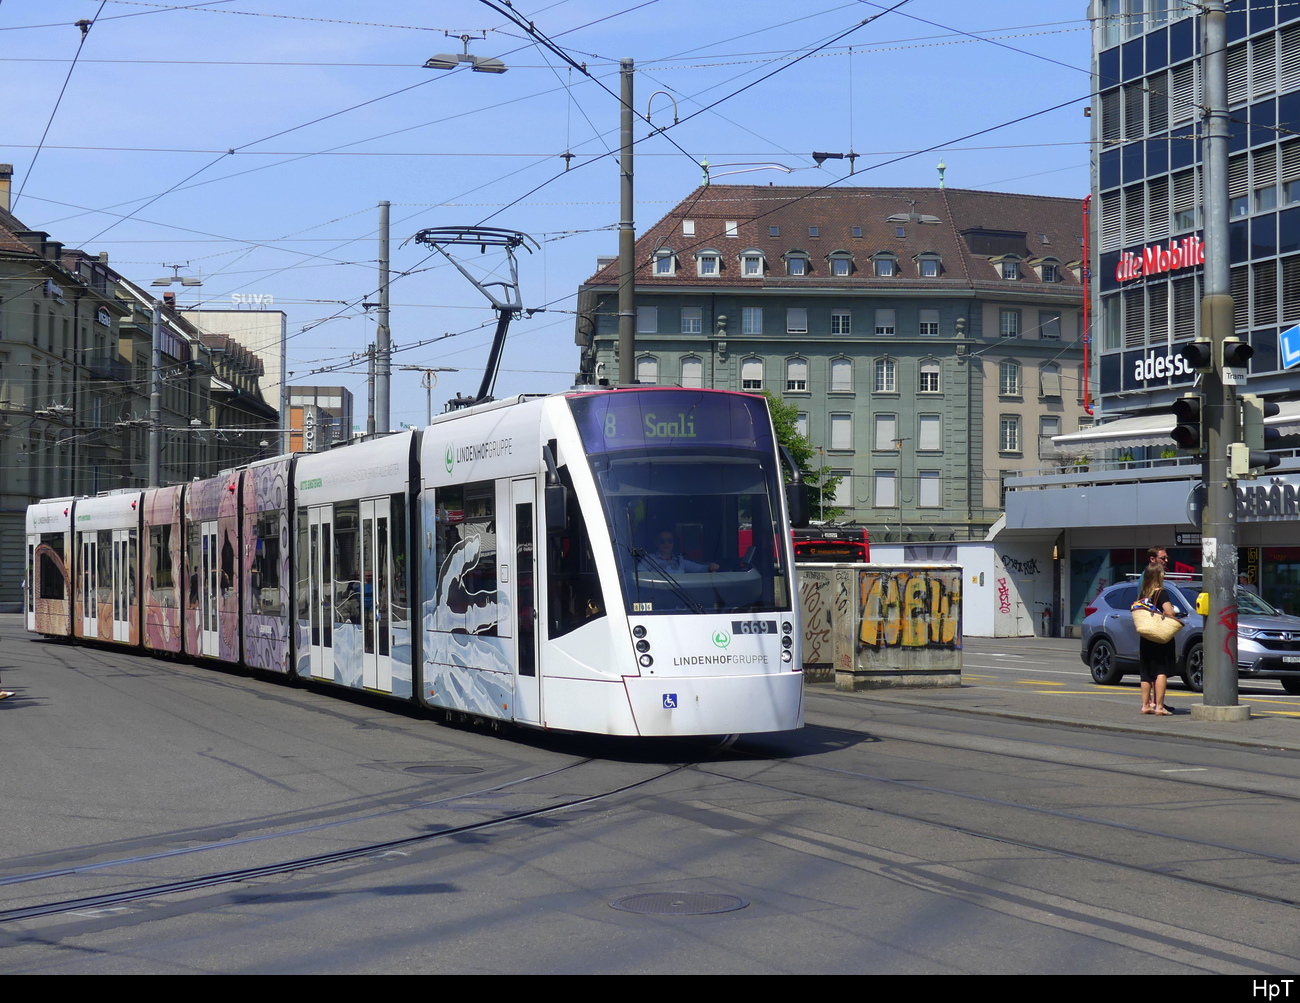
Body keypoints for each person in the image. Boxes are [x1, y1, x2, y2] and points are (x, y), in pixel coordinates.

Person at [1137, 563, 1179, 716]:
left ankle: (1145, 705)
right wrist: (1173, 610)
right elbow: (1169, 612)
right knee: (1161, 670)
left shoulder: (1143, 594)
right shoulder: (1161, 593)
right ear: (1159, 577)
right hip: (1159, 636)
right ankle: (1159, 706)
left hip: (1146, 636)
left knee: (1146, 671)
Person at [641, 530, 719, 573]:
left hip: (680, 595)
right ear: (656, 543)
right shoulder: (648, 559)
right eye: (662, 541)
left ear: (674, 543)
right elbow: (640, 576)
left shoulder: (680, 561)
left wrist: (711, 567)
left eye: (670, 541)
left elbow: (701, 569)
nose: (666, 543)